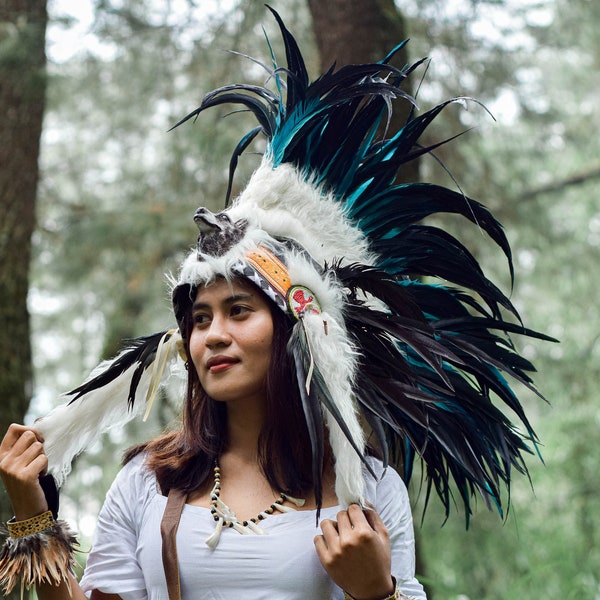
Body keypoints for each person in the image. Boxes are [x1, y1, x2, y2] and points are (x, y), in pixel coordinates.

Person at [0, 7, 551, 600]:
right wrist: (31, 510)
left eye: (239, 311)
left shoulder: (365, 488)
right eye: (200, 319)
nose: (212, 334)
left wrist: (377, 590)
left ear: (297, 329)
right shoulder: (148, 479)